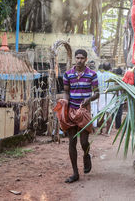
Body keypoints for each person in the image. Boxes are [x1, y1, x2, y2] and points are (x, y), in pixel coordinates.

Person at [54, 49, 99, 183]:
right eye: (77, 58)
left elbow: (97, 93)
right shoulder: (68, 74)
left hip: (84, 111)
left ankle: (86, 155)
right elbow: (66, 92)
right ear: (75, 58)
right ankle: (75, 173)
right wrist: (65, 103)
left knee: (84, 142)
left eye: (82, 58)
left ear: (85, 59)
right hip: (71, 110)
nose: (79, 60)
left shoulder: (92, 74)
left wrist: (89, 99)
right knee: (72, 142)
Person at [97, 62, 115, 134]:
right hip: (110, 95)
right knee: (109, 113)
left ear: (103, 68)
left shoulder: (99, 76)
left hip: (101, 94)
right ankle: (108, 131)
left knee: (101, 113)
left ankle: (100, 130)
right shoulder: (113, 76)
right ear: (110, 68)